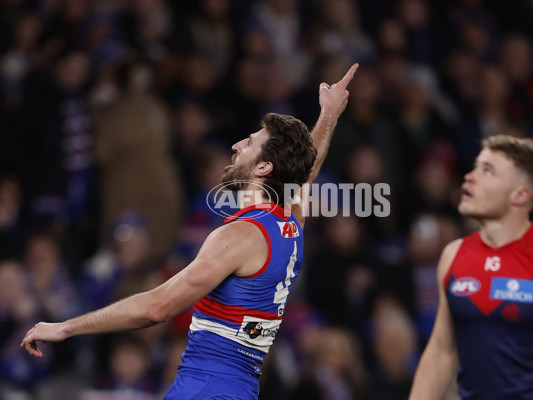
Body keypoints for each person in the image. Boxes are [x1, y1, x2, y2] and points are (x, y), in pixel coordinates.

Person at [20, 63, 359, 400]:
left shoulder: (241, 235)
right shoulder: (289, 225)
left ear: (263, 167)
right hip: (239, 388)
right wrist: (328, 115)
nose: (238, 144)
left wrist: (66, 327)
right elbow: (307, 171)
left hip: (204, 388)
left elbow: (157, 308)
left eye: (251, 143)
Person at [409, 135, 533, 399]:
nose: (469, 177)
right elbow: (442, 350)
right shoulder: (453, 255)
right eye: (475, 167)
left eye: (487, 171)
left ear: (520, 195)